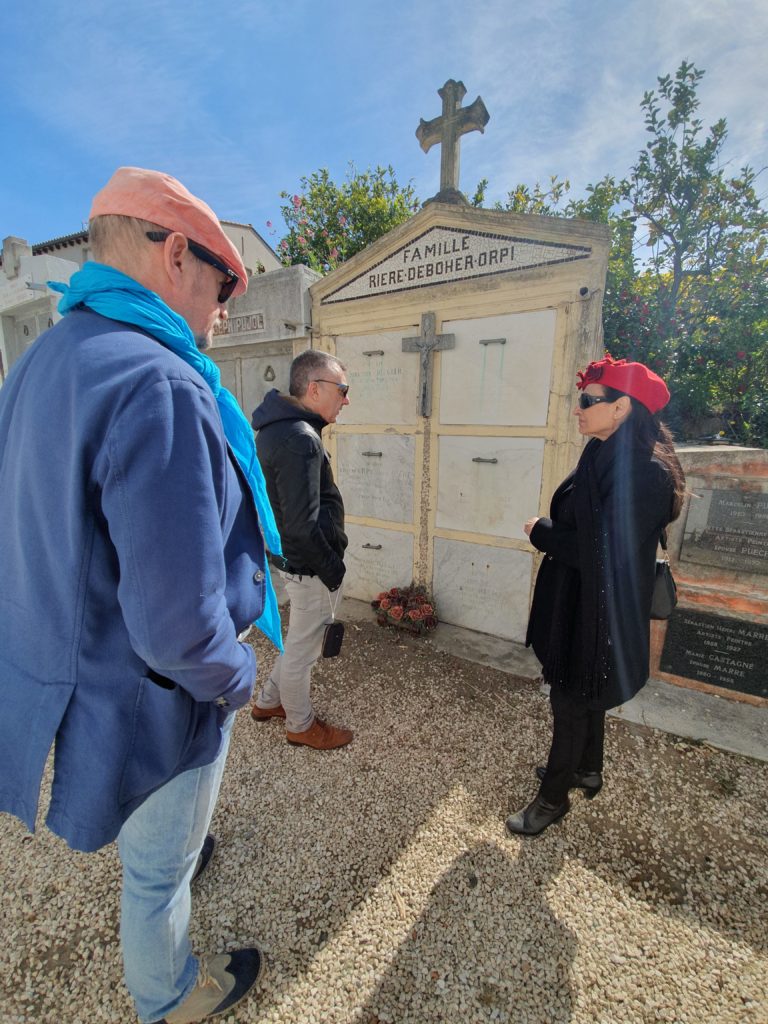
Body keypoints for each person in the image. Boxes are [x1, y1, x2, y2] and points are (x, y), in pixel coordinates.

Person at [0, 167, 284, 1023]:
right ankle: (169, 995)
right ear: (172, 254)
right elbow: (176, 630)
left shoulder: (44, 361)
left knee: (155, 860)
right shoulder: (160, 379)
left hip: (75, 665)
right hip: (154, 700)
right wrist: (236, 676)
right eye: (223, 282)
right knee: (159, 872)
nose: (225, 307)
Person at [506, 355, 685, 838]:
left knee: (571, 700)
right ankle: (588, 769)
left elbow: (602, 549)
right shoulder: (603, 451)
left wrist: (542, 531)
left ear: (623, 408)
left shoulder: (647, 472)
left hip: (600, 613)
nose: (578, 409)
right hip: (580, 601)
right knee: (585, 697)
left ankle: (552, 800)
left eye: (589, 401)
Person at [250, 350, 354, 750]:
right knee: (303, 653)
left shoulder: (278, 429)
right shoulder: (300, 439)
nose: (346, 399)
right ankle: (300, 724)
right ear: (314, 389)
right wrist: (333, 570)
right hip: (309, 567)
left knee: (298, 641)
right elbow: (302, 525)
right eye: (341, 390)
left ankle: (268, 703)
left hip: (295, 562)